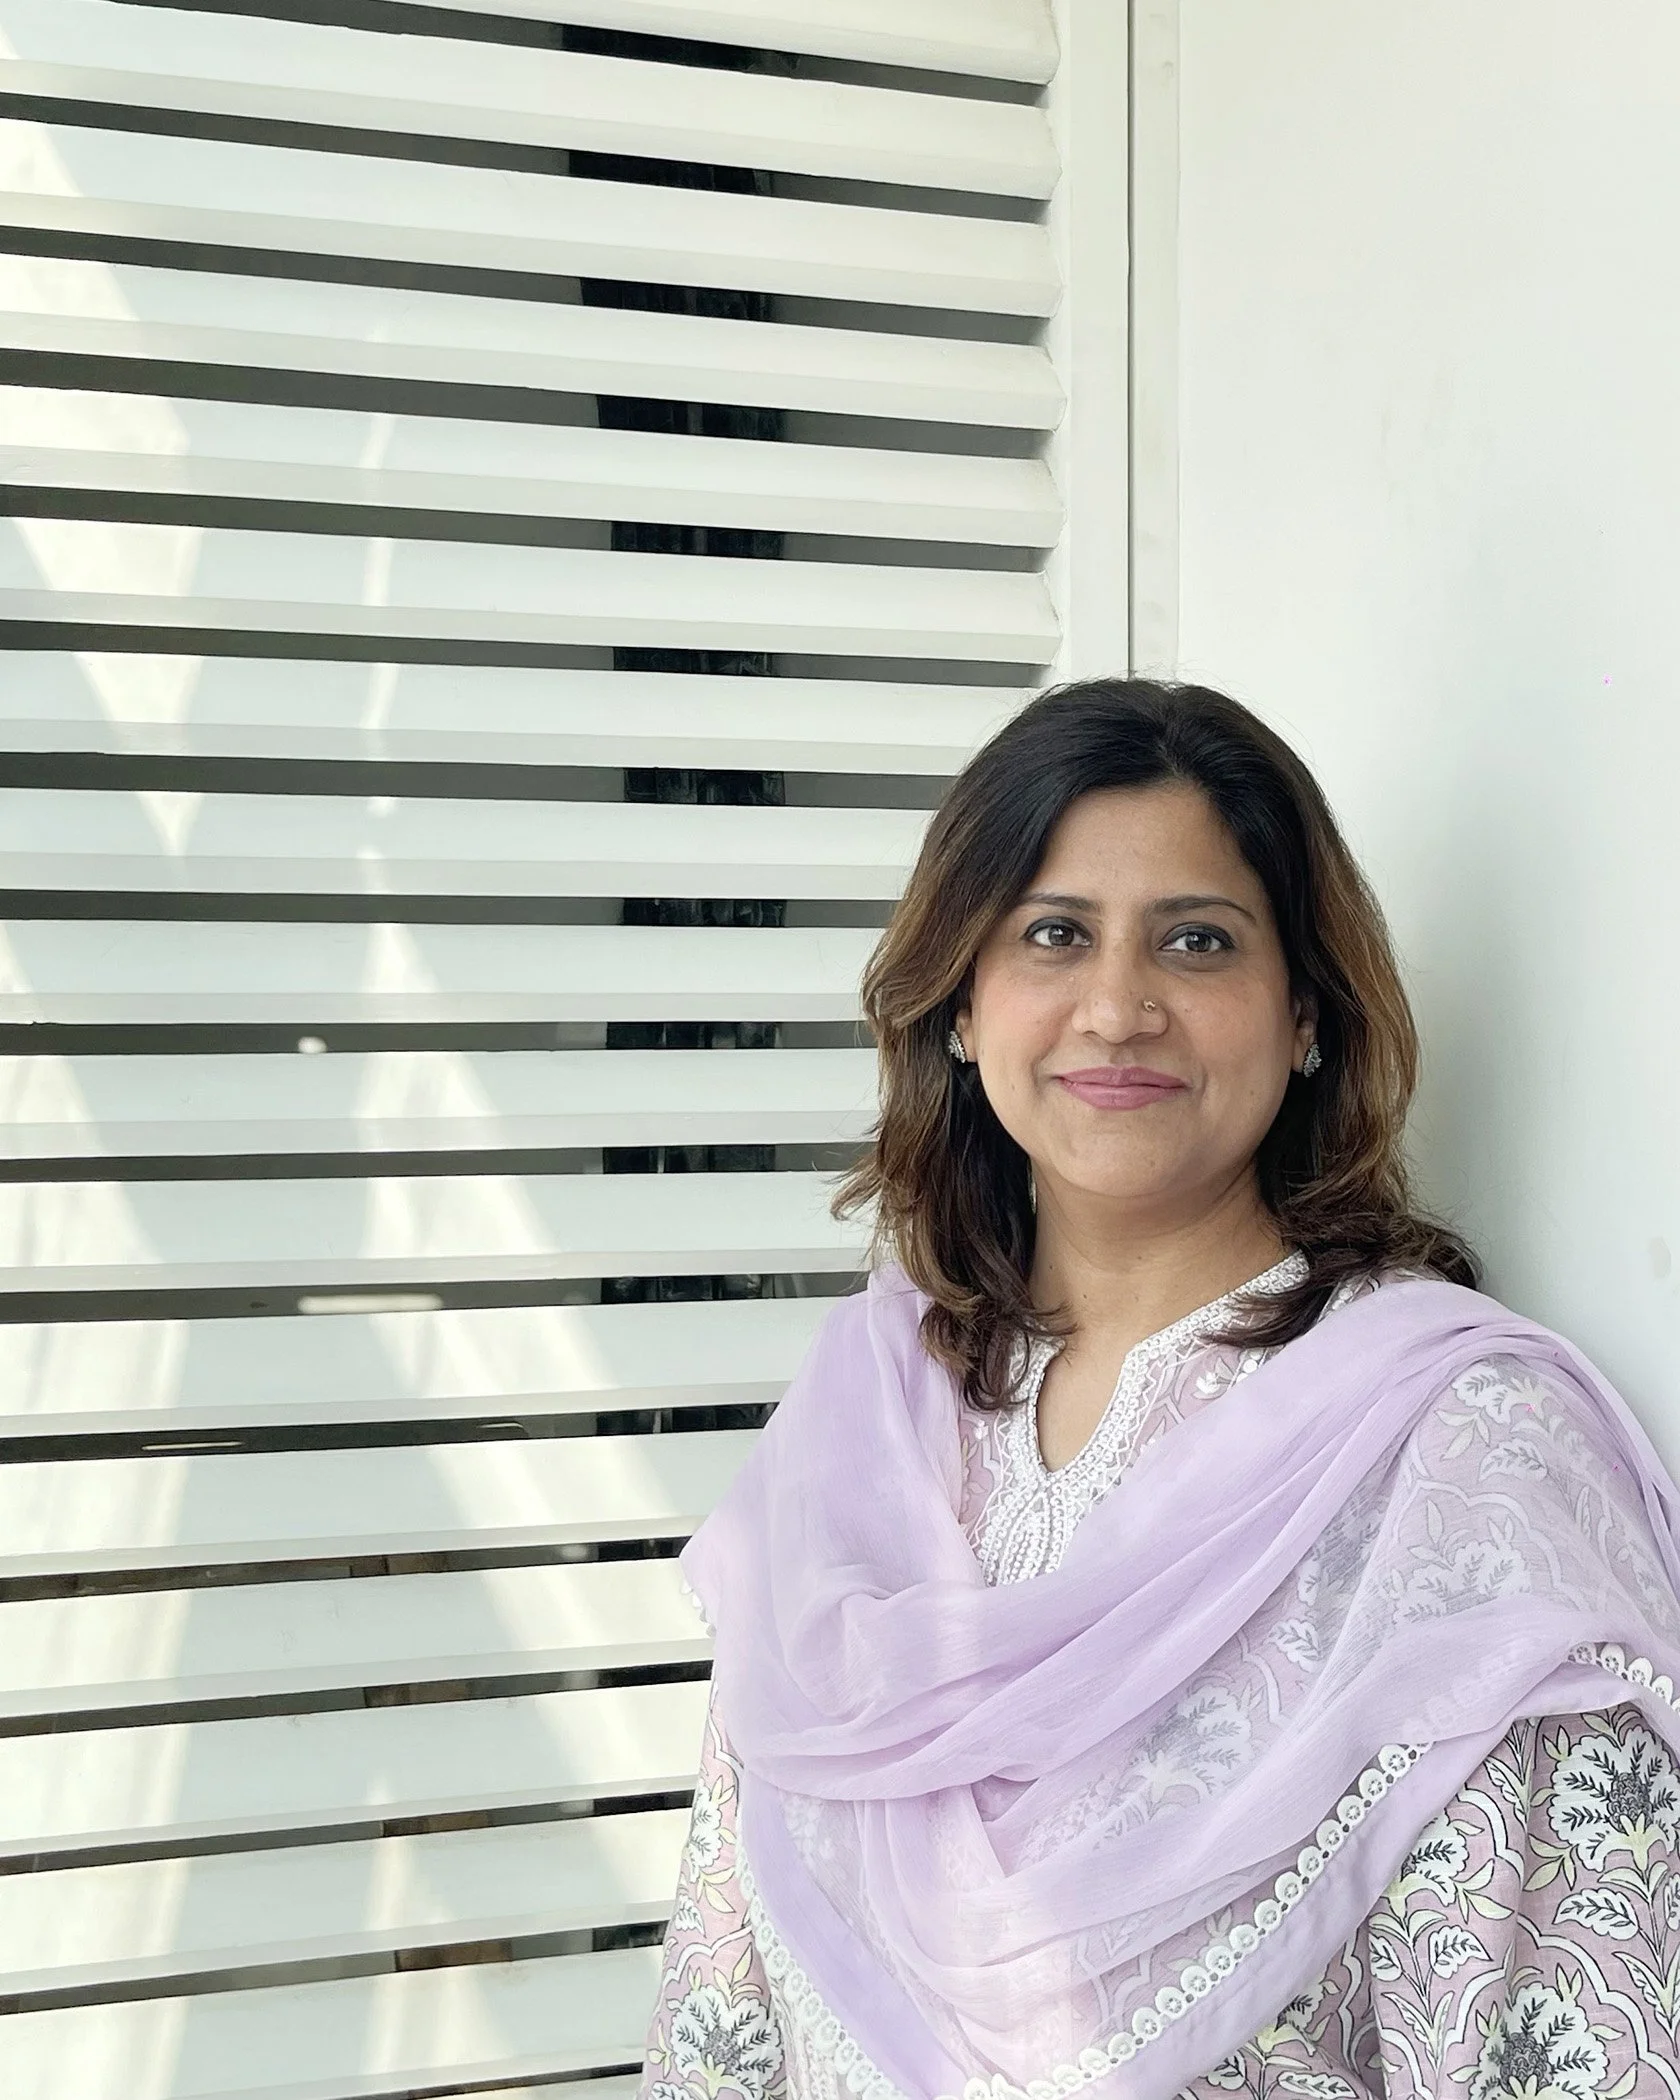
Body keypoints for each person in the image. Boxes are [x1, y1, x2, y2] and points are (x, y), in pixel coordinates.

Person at [638, 677, 1680, 2100]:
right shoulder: (859, 1429)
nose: (1119, 1009)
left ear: (1305, 1013)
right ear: (961, 1005)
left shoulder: (1464, 1456)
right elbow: (723, 2010)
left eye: (1198, 940)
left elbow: (1561, 2043)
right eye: (1053, 934)